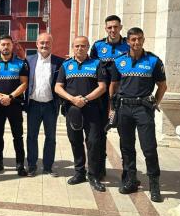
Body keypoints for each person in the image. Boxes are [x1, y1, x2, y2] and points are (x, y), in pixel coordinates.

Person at [110, 27, 167, 202]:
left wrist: (154, 103)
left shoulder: (153, 61)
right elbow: (114, 86)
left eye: (139, 39)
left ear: (143, 40)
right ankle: (131, 180)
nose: (136, 42)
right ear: (127, 41)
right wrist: (112, 109)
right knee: (126, 147)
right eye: (133, 39)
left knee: (149, 148)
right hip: (124, 108)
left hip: (143, 108)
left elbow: (162, 86)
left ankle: (154, 184)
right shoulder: (119, 61)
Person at [55, 36, 108, 191]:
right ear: (73, 47)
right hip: (72, 110)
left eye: (83, 46)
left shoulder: (97, 64)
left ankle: (93, 175)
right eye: (77, 46)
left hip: (92, 109)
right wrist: (72, 99)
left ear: (88, 47)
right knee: (75, 140)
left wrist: (85, 99)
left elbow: (102, 87)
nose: (80, 48)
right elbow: (58, 87)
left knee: (93, 142)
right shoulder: (66, 65)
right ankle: (79, 172)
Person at [0, 35, 29, 176]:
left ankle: (20, 165)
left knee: (18, 136)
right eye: (3, 44)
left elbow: (24, 84)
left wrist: (10, 97)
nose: (5, 47)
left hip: (14, 104)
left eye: (8, 44)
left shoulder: (21, 63)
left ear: (12, 45)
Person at [90, 15, 129, 179]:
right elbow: (91, 67)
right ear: (105, 28)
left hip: (123, 95)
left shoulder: (128, 45)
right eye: (109, 27)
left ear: (120, 27)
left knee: (125, 134)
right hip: (101, 96)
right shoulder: (98, 46)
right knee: (99, 133)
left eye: (115, 27)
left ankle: (128, 171)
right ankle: (99, 168)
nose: (113, 30)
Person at [25, 33, 64, 177]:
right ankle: (32, 165)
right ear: (36, 44)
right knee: (31, 136)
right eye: (42, 42)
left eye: (47, 43)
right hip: (33, 105)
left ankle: (48, 167)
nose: (44, 45)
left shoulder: (59, 62)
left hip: (50, 106)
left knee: (51, 138)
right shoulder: (28, 61)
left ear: (51, 44)